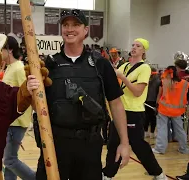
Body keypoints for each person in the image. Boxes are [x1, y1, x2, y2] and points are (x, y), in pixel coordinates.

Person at [26, 9, 130, 180]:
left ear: (85, 30)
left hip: (89, 146)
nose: (69, 29)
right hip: (55, 145)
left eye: (75, 24)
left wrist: (124, 143)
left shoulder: (100, 65)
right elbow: (37, 107)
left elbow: (116, 104)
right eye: (65, 25)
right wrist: (31, 92)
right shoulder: (47, 66)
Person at [102, 38, 168, 180]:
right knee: (113, 143)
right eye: (133, 45)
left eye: (138, 46)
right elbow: (113, 76)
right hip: (119, 110)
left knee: (139, 146)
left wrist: (122, 77)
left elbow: (137, 91)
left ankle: (158, 173)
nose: (134, 48)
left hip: (133, 112)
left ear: (144, 50)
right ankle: (108, 174)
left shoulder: (145, 68)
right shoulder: (125, 65)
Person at [2, 36, 35, 180]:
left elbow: (28, 94)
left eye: (1, 49)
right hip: (8, 120)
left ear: (9, 50)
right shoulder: (9, 68)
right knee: (8, 162)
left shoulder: (19, 69)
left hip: (17, 122)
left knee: (9, 160)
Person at [152, 66, 189, 154]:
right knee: (180, 129)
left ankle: (160, 148)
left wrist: (156, 105)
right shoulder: (185, 84)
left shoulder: (164, 82)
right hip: (178, 111)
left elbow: (159, 95)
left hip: (164, 109)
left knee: (162, 129)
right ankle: (183, 148)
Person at [144, 67, 160, 138]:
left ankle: (146, 131)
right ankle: (152, 132)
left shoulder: (146, 80)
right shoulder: (158, 81)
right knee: (153, 117)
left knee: (146, 117)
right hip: (154, 101)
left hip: (146, 100)